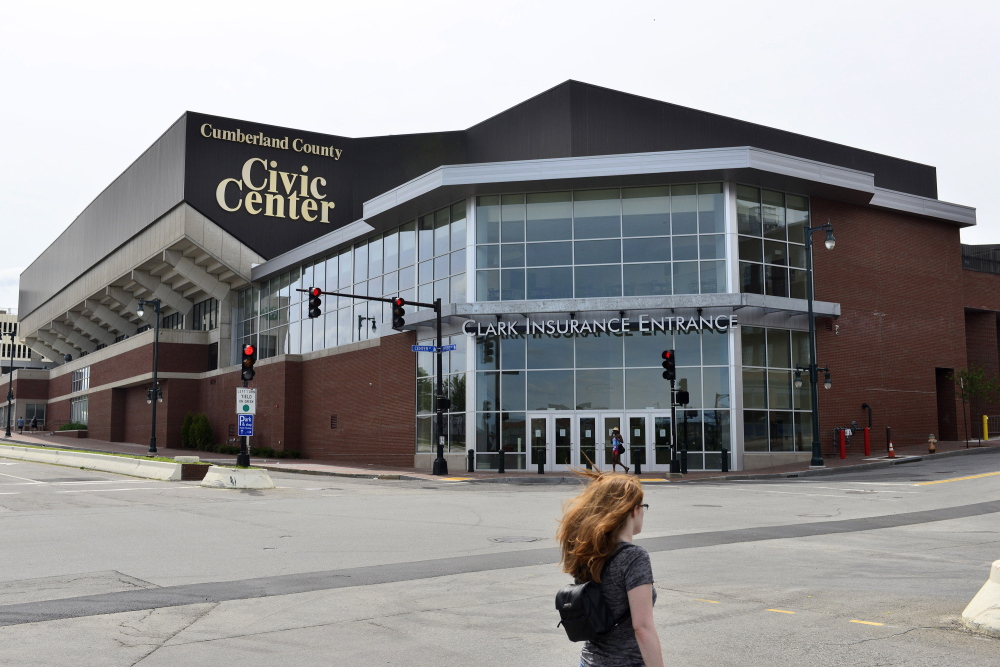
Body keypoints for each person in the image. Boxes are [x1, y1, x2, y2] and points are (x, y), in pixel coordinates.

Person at [556, 471, 663, 667]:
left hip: (589, 661)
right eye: (643, 507)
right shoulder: (634, 556)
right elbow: (642, 627)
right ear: (632, 510)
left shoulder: (589, 551)